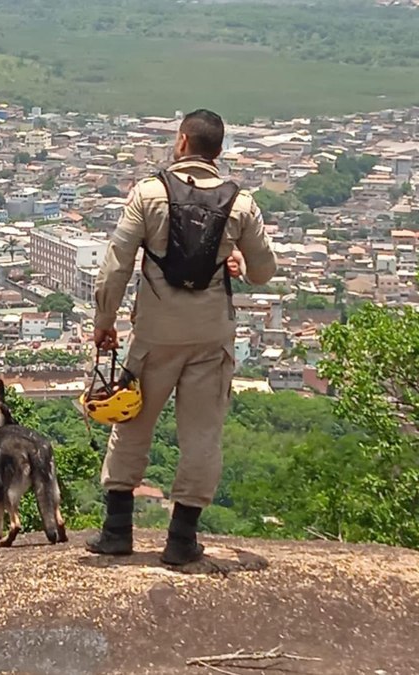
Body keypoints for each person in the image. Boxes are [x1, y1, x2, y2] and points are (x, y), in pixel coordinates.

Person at [86, 109, 277, 565]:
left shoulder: (148, 194)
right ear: (219, 150)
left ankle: (117, 531)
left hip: (155, 331)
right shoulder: (241, 203)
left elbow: (116, 265)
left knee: (131, 424)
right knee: (201, 435)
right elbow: (265, 272)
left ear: (183, 141)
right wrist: (240, 268)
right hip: (211, 336)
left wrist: (105, 320)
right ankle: (181, 539)